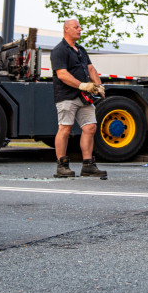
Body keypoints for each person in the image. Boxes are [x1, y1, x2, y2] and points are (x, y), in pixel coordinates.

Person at [51, 18, 107, 179]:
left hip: (84, 98)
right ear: (66, 29)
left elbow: (90, 68)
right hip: (66, 96)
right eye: (76, 27)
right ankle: (62, 166)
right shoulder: (59, 50)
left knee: (90, 128)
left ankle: (88, 165)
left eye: (79, 27)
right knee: (65, 129)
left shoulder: (81, 50)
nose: (80, 29)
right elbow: (62, 74)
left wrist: (98, 85)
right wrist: (82, 85)